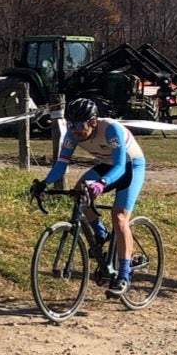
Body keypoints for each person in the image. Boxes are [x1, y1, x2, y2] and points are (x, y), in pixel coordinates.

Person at [29, 98, 147, 295]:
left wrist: (102, 183)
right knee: (79, 192)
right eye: (69, 124)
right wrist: (44, 183)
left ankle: (124, 275)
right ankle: (101, 234)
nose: (73, 129)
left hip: (130, 166)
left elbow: (119, 166)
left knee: (119, 218)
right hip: (108, 165)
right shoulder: (72, 134)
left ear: (93, 122)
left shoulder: (111, 130)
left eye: (77, 125)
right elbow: (61, 164)